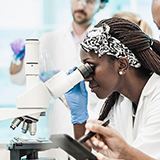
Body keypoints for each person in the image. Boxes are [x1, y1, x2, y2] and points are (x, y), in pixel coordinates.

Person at [64, 17, 160, 159]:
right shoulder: (118, 102)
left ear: (122, 65)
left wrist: (123, 152)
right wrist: (79, 119)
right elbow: (91, 157)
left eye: (90, 66)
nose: (86, 77)